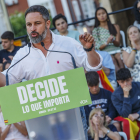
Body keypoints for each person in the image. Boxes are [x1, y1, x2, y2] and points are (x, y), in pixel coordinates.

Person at [0, 5, 102, 140]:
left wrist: (89, 50)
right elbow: (6, 80)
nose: (32, 29)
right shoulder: (23, 55)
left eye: (37, 23)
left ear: (47, 23)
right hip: (41, 118)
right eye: (29, 25)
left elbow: (94, 66)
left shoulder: (67, 44)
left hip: (74, 112)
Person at [92, 7, 124, 72]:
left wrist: (113, 41)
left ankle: (126, 77)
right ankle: (119, 79)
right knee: (112, 60)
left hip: (116, 50)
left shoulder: (115, 26)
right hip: (106, 52)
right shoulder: (96, 30)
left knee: (120, 58)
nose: (102, 15)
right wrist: (107, 42)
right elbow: (98, 47)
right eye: (99, 14)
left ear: (106, 14)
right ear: (96, 17)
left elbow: (118, 44)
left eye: (103, 13)